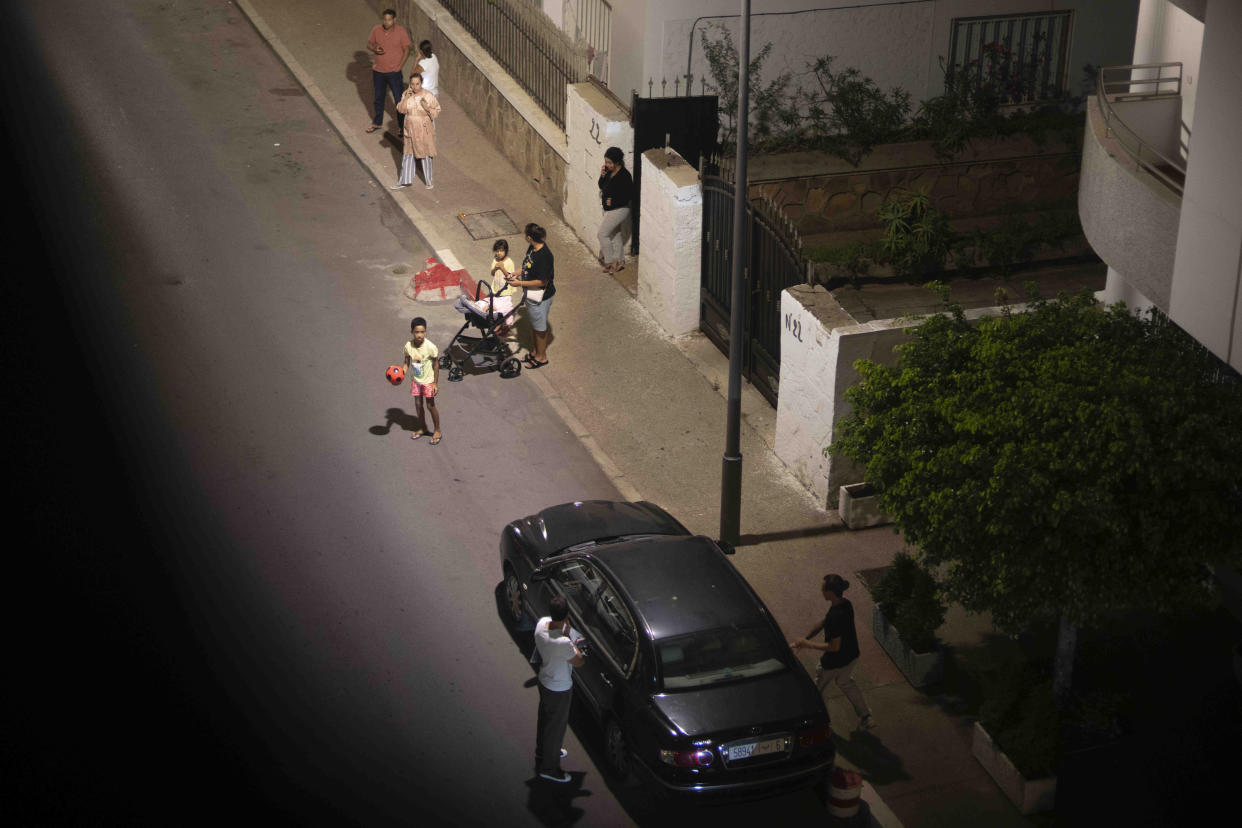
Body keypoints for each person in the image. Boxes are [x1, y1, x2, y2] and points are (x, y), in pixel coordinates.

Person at [790, 574, 875, 730]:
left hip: (833, 662)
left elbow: (834, 646)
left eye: (823, 589)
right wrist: (804, 638)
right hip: (851, 656)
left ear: (830, 592)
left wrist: (807, 644)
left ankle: (820, 723)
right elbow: (824, 622)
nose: (821, 591)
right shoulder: (844, 604)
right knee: (845, 682)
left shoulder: (836, 616)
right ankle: (866, 716)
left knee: (816, 692)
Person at [533, 596, 584, 783]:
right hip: (559, 689)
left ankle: (542, 751)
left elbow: (551, 627)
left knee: (545, 719)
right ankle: (550, 768)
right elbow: (579, 661)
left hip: (544, 681)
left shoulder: (541, 625)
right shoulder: (563, 642)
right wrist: (570, 636)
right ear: (567, 615)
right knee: (556, 729)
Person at [507, 223, 555, 369]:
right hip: (531, 293)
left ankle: (541, 357)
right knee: (535, 325)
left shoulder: (545, 256)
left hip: (540, 296)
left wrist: (519, 283)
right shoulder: (533, 248)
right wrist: (516, 273)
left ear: (529, 237)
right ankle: (535, 352)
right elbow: (527, 265)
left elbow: (542, 282)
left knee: (540, 329)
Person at [366, 9, 411, 135]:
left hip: (394, 73)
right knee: (378, 98)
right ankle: (377, 122)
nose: (386, 22)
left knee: (398, 100)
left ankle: (402, 127)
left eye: (389, 19)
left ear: (394, 20)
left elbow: (406, 50)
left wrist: (399, 67)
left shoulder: (401, 32)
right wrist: (375, 48)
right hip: (378, 72)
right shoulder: (376, 30)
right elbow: (369, 44)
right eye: (385, 19)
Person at [393, 74, 441, 190]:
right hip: (410, 128)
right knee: (408, 154)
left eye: (417, 84)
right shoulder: (406, 94)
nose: (415, 86)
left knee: (425, 154)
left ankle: (429, 181)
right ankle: (405, 180)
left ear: (421, 83)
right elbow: (400, 109)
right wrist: (405, 98)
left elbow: (436, 112)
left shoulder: (428, 96)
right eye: (412, 84)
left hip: (423, 129)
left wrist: (427, 108)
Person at [452, 239, 518, 319]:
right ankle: (474, 307)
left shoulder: (509, 262)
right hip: (496, 289)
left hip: (505, 290)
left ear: (506, 251)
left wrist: (502, 268)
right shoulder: (495, 259)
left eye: (501, 251)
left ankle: (481, 309)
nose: (499, 253)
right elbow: (492, 273)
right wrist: (495, 268)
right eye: (497, 251)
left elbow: (510, 277)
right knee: (494, 301)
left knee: (500, 303)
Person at [402, 316, 441, 444]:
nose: (419, 335)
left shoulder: (430, 347)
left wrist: (435, 383)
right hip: (416, 381)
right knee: (418, 405)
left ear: (425, 331)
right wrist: (402, 373)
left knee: (430, 406)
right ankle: (422, 428)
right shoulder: (408, 346)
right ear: (412, 332)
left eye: (422, 332)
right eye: (417, 332)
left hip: (428, 382)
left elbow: (436, 365)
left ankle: (437, 430)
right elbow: (406, 362)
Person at [597, 146, 633, 274]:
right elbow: (601, 185)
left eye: (609, 162)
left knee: (602, 234)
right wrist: (602, 176)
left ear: (617, 162)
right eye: (606, 162)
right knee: (615, 234)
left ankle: (610, 261)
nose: (607, 165)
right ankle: (620, 261)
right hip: (611, 209)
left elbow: (628, 195)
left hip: (620, 209)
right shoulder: (608, 172)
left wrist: (613, 201)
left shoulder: (625, 176)